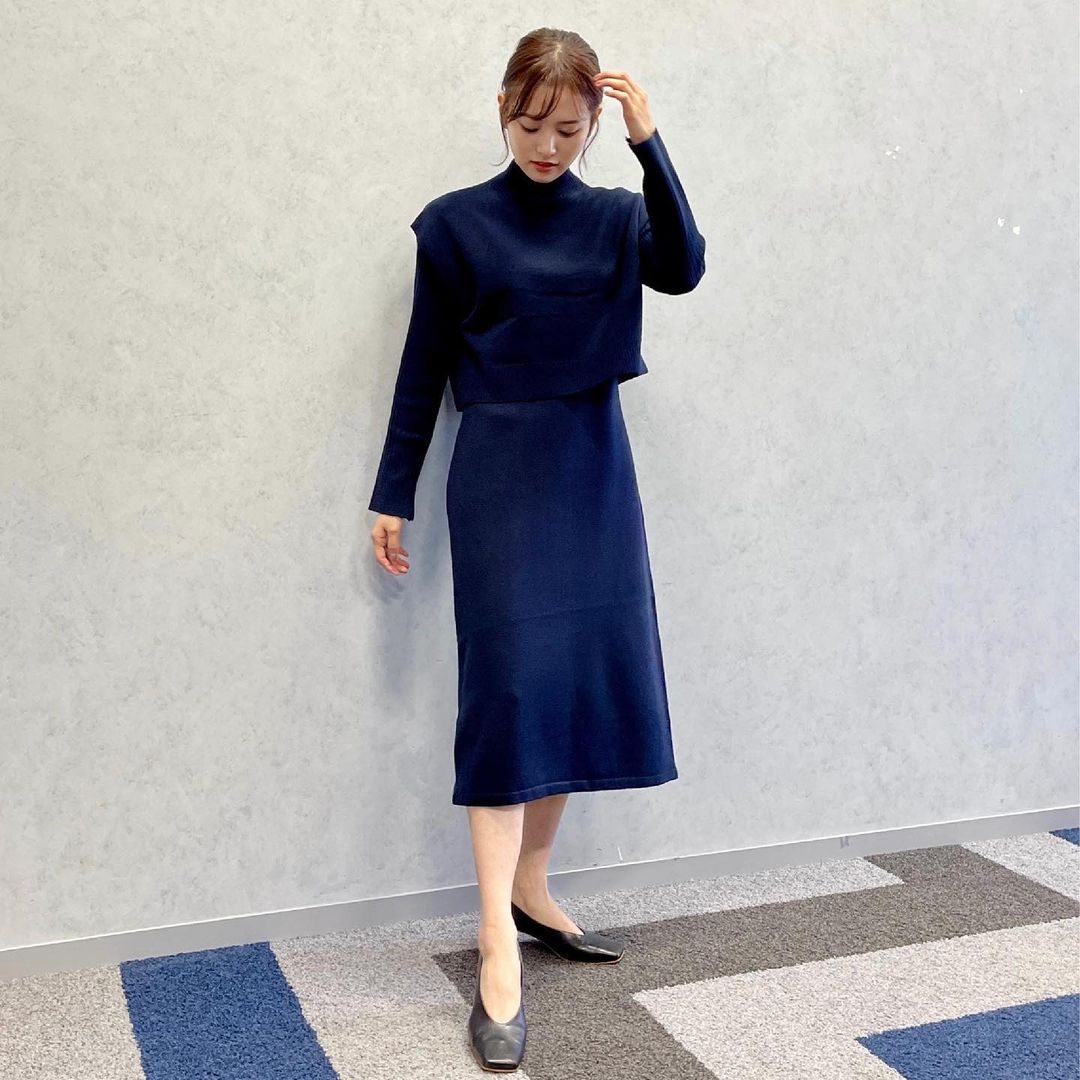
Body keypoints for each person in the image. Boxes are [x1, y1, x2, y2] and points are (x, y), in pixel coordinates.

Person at [367, 27, 706, 1073]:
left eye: (568, 128)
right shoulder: (456, 226)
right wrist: (392, 492)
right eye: (529, 125)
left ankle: (532, 888)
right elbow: (424, 364)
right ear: (502, 112)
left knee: (568, 687)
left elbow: (684, 268)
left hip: (593, 470)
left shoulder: (614, 218)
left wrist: (651, 147)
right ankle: (494, 944)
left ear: (595, 119)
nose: (548, 146)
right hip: (502, 479)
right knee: (511, 694)